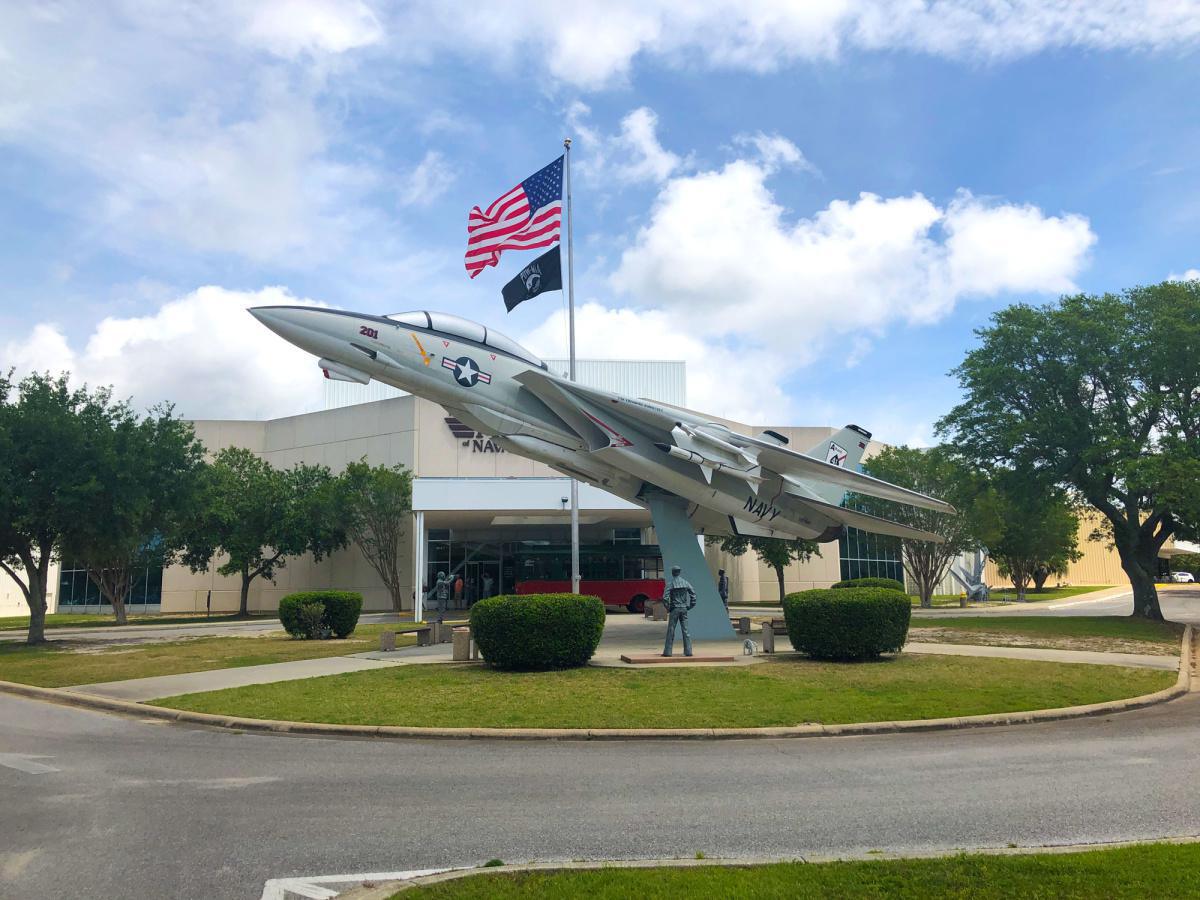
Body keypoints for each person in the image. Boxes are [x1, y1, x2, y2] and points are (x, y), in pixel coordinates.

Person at [661, 564, 697, 657]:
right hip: (684, 608)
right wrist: (690, 606)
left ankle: (668, 652)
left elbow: (665, 598)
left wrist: (668, 608)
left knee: (671, 630)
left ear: (673, 573)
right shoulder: (686, 583)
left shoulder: (671, 584)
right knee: (686, 630)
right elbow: (693, 595)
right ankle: (688, 651)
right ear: (679, 572)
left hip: (675, 609)